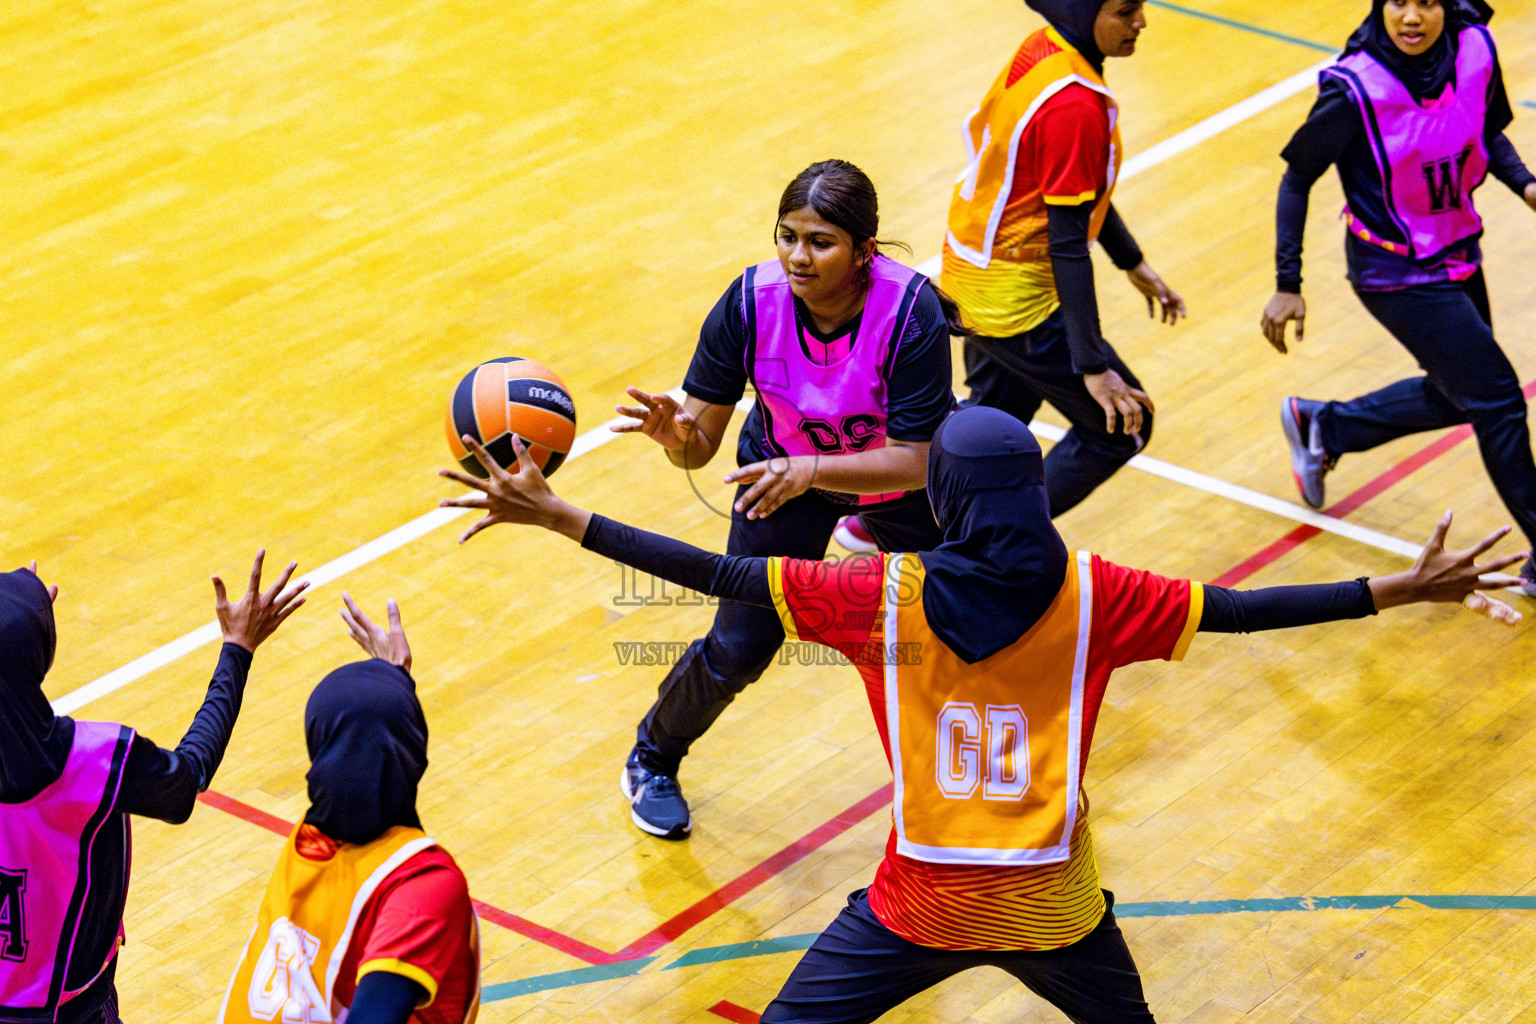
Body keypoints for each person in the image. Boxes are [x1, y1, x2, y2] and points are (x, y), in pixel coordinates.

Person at [439, 409, 1522, 1022]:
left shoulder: (878, 597)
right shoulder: (1103, 596)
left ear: (947, 498)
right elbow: (1244, 610)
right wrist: (1394, 588)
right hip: (1056, 906)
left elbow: (714, 569)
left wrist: (564, 513)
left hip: (919, 906)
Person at [607, 159, 963, 838]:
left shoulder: (910, 309)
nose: (799, 256)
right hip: (782, 478)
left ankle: (973, 771)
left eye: (820, 242)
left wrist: (813, 470)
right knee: (742, 644)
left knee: (957, 619)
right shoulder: (748, 302)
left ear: (863, 252)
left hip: (891, 479)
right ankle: (652, 757)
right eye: (787, 236)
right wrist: (670, 434)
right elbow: (699, 446)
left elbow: (917, 461)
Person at [1260, 0, 1536, 597]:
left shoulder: (1473, 50)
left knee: (1459, 395)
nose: (1412, 17)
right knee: (1498, 403)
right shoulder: (1355, 89)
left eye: (1428, 1)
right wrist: (1288, 283)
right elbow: (1297, 177)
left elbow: (1487, 131)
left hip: (1458, 248)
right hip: (1392, 269)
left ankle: (1325, 428)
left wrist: (1526, 185)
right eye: (1398, 2)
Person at [0, 553, 306, 1024]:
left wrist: (19, 626)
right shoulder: (94, 760)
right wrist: (237, 650)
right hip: (74, 1009)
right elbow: (189, 776)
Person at [941, 0, 1185, 518]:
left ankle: (889, 515)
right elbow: (1068, 240)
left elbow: (1071, 183)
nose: (1141, 21)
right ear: (1082, 12)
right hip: (1015, 298)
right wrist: (1092, 365)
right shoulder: (1074, 104)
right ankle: (991, 537)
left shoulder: (1043, 47)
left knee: (992, 423)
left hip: (970, 270)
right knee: (1122, 425)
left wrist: (1131, 260)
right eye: (1125, 10)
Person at [219, 596, 479, 1024]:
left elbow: (361, 750)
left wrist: (393, 681)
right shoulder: (424, 885)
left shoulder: (307, 843)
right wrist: (395, 689)